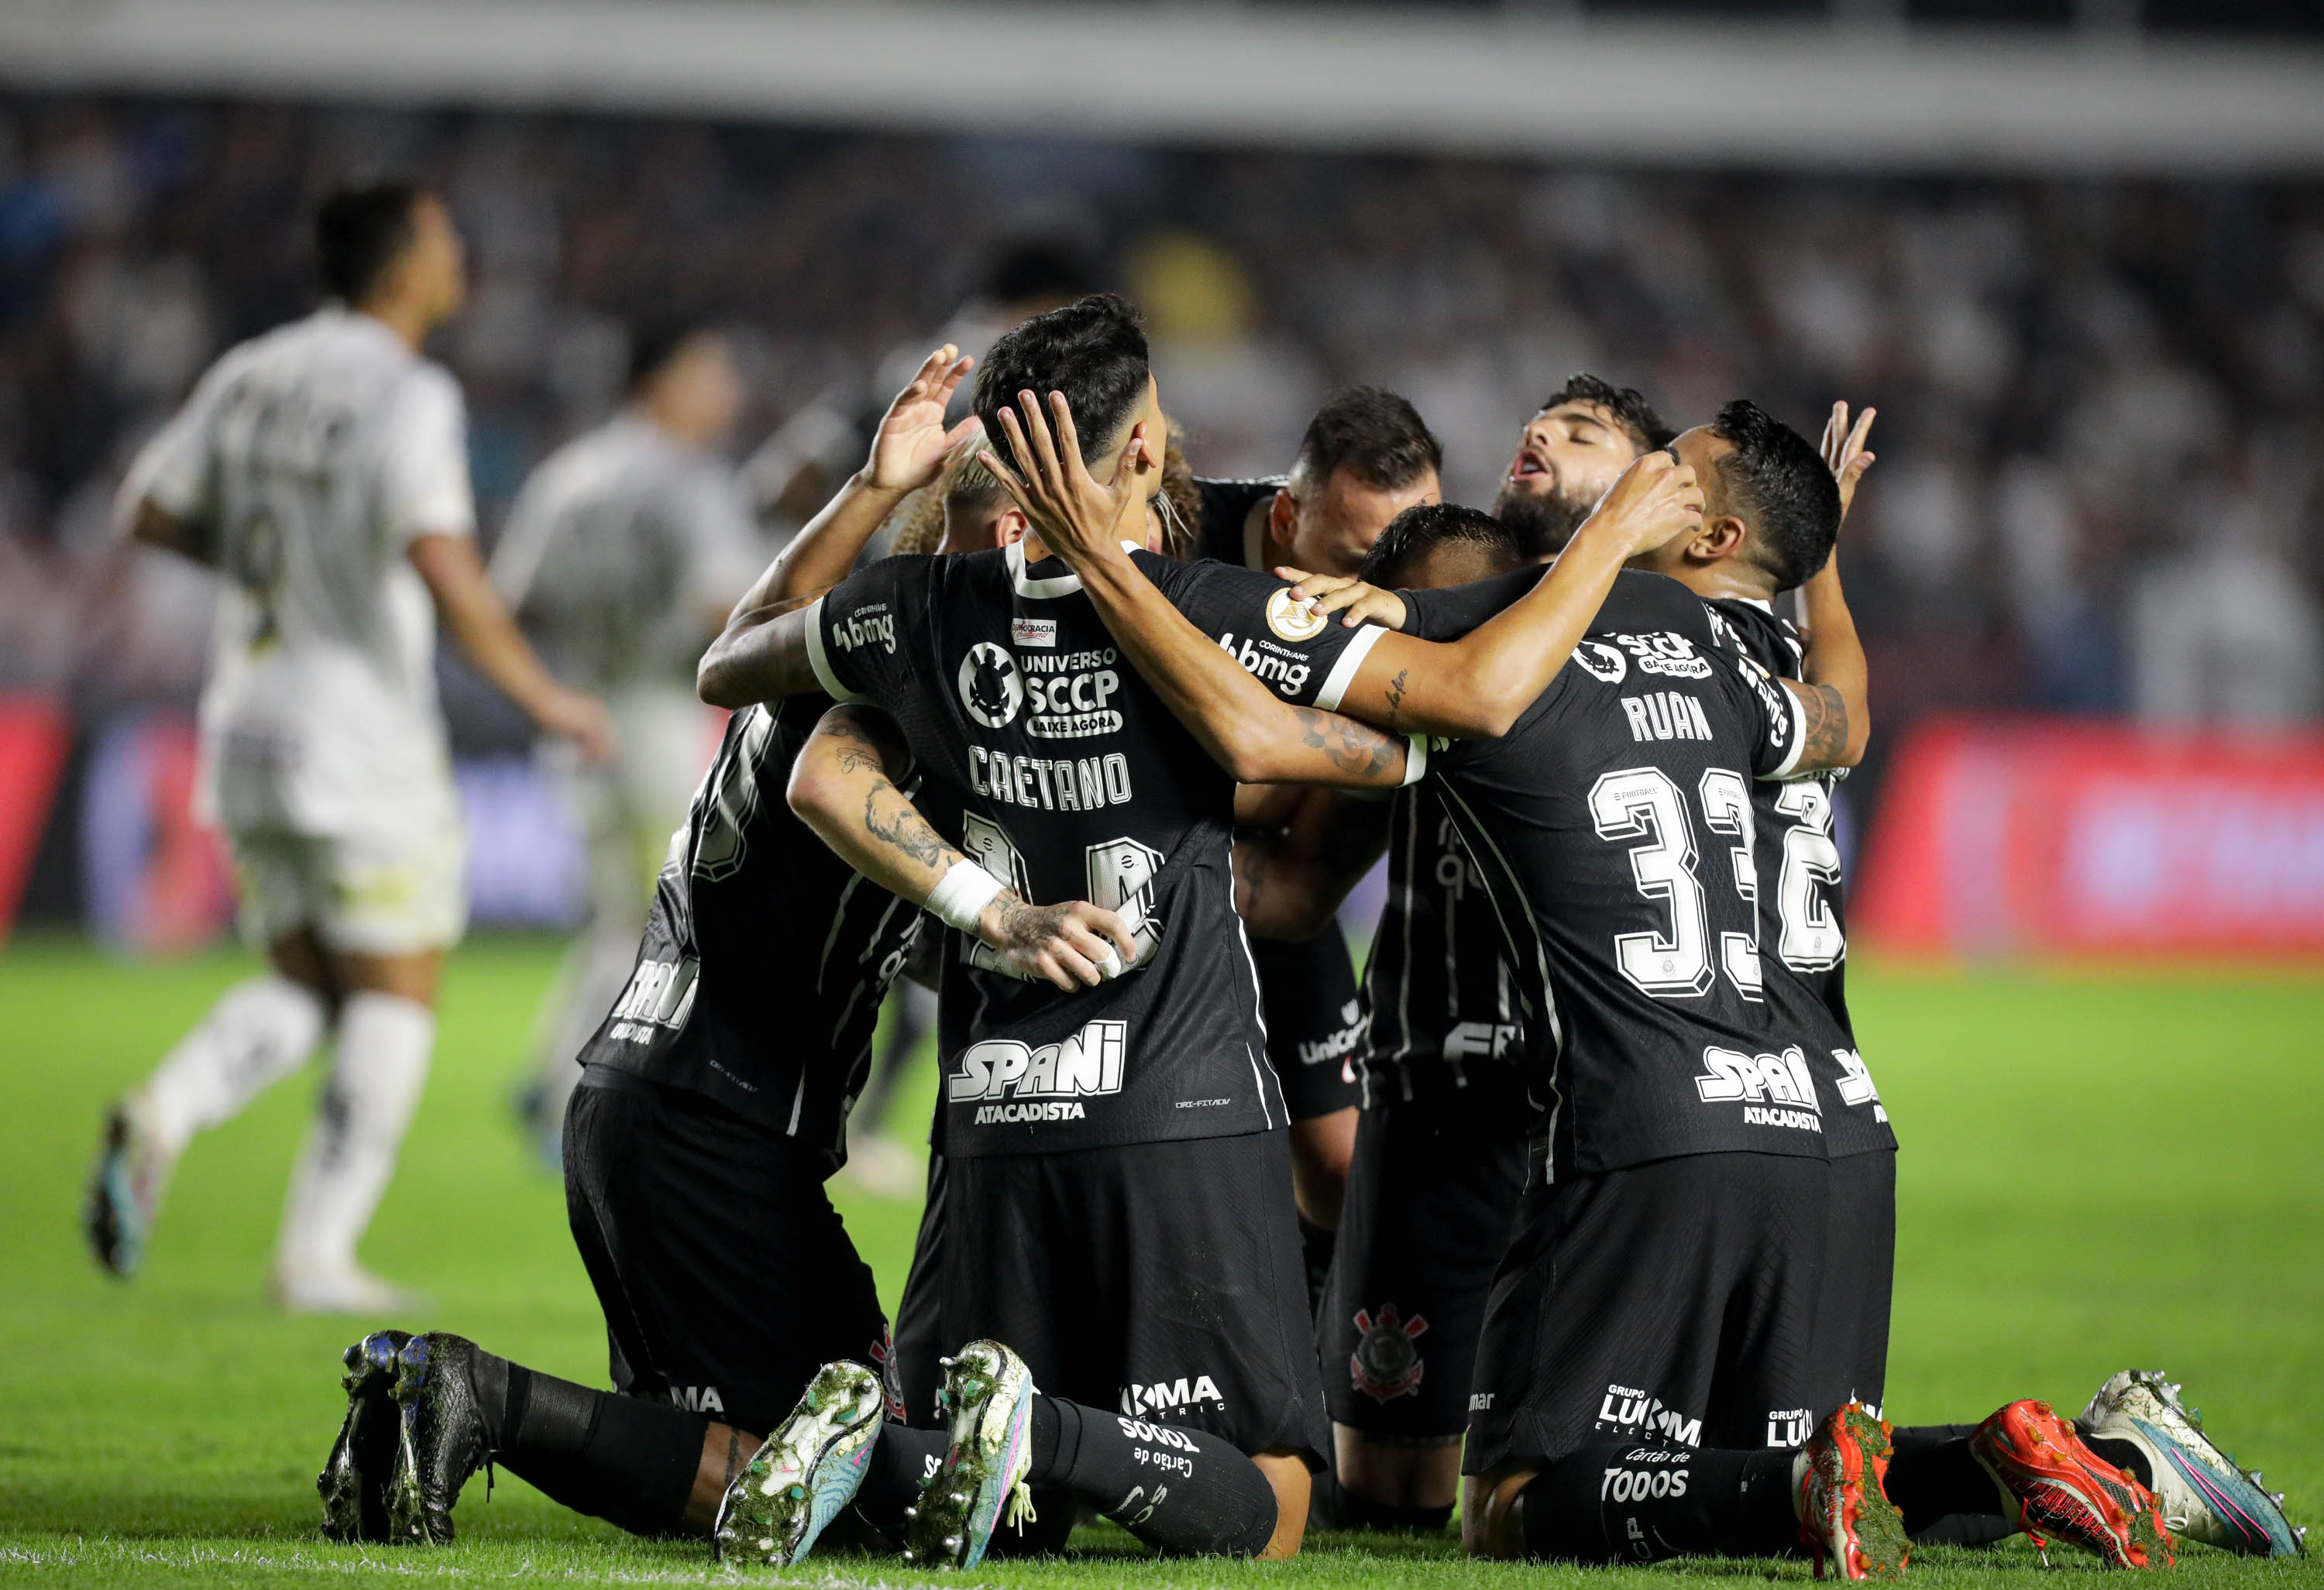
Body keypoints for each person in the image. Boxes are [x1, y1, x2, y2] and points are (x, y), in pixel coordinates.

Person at [308, 346, 1130, 1557]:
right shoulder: (936, 654)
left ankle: (435, 1408)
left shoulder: (831, 629)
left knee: (722, 1463)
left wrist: (864, 484)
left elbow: (739, 637)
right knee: (856, 1481)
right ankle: (477, 1394)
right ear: (1016, 522)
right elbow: (830, 796)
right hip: (719, 1127)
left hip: (638, 1093)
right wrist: (995, 914)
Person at [699, 294, 1439, 1564]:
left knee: (1003, 1523)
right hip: (1181, 1110)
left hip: (993, 1119)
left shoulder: (912, 610)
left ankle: (880, 1444)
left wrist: (876, 493)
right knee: (1274, 1502)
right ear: (1143, 455)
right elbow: (1426, 720)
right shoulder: (1207, 608)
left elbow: (727, 664)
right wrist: (1389, 707)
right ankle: (1039, 1434)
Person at [82, 177, 610, 1314]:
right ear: (404, 263)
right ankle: (314, 1256)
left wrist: (284, 557)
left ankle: (164, 1110)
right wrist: (542, 695)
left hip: (249, 721)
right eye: (447, 234)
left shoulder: (252, 371)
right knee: (398, 990)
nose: (462, 250)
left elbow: (148, 508)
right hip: (360, 733)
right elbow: (439, 554)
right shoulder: (408, 392)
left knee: (311, 985)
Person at [1185, 386, 1446, 1303]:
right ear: (1287, 515)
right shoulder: (1177, 538)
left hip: (1262, 887)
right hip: (1136, 883)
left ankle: (1325, 1383)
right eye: (1356, 556)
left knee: (1343, 1169)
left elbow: (1304, 871)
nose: (1384, 589)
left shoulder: (1420, 591)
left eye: (1404, 554)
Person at [490, 321, 762, 1166]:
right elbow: (731, 605)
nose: (728, 392)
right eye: (711, 372)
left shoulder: (568, 474)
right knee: (654, 919)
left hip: (580, 711)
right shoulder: (692, 482)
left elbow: (516, 599)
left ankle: (545, 1074)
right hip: (656, 712)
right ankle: (571, 1088)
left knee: (620, 910)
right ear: (663, 379)